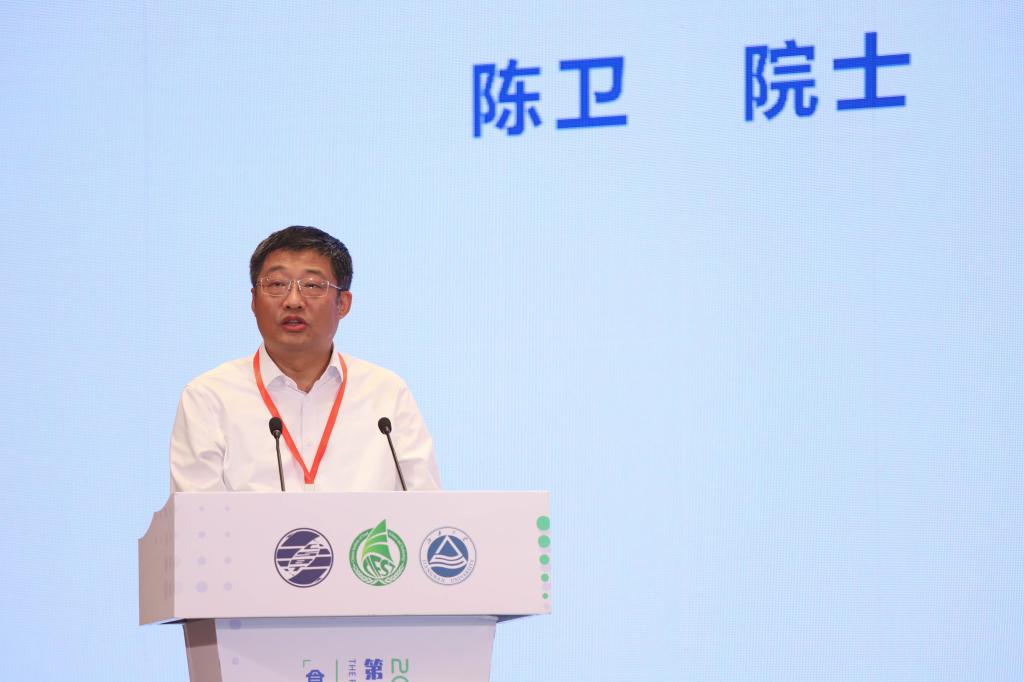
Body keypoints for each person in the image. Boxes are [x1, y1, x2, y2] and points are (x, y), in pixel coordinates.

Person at [169, 226, 441, 492]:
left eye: (312, 285)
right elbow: (197, 516)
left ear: (342, 304)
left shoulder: (386, 394)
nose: (293, 301)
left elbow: (425, 510)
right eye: (277, 284)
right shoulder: (209, 398)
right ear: (253, 301)